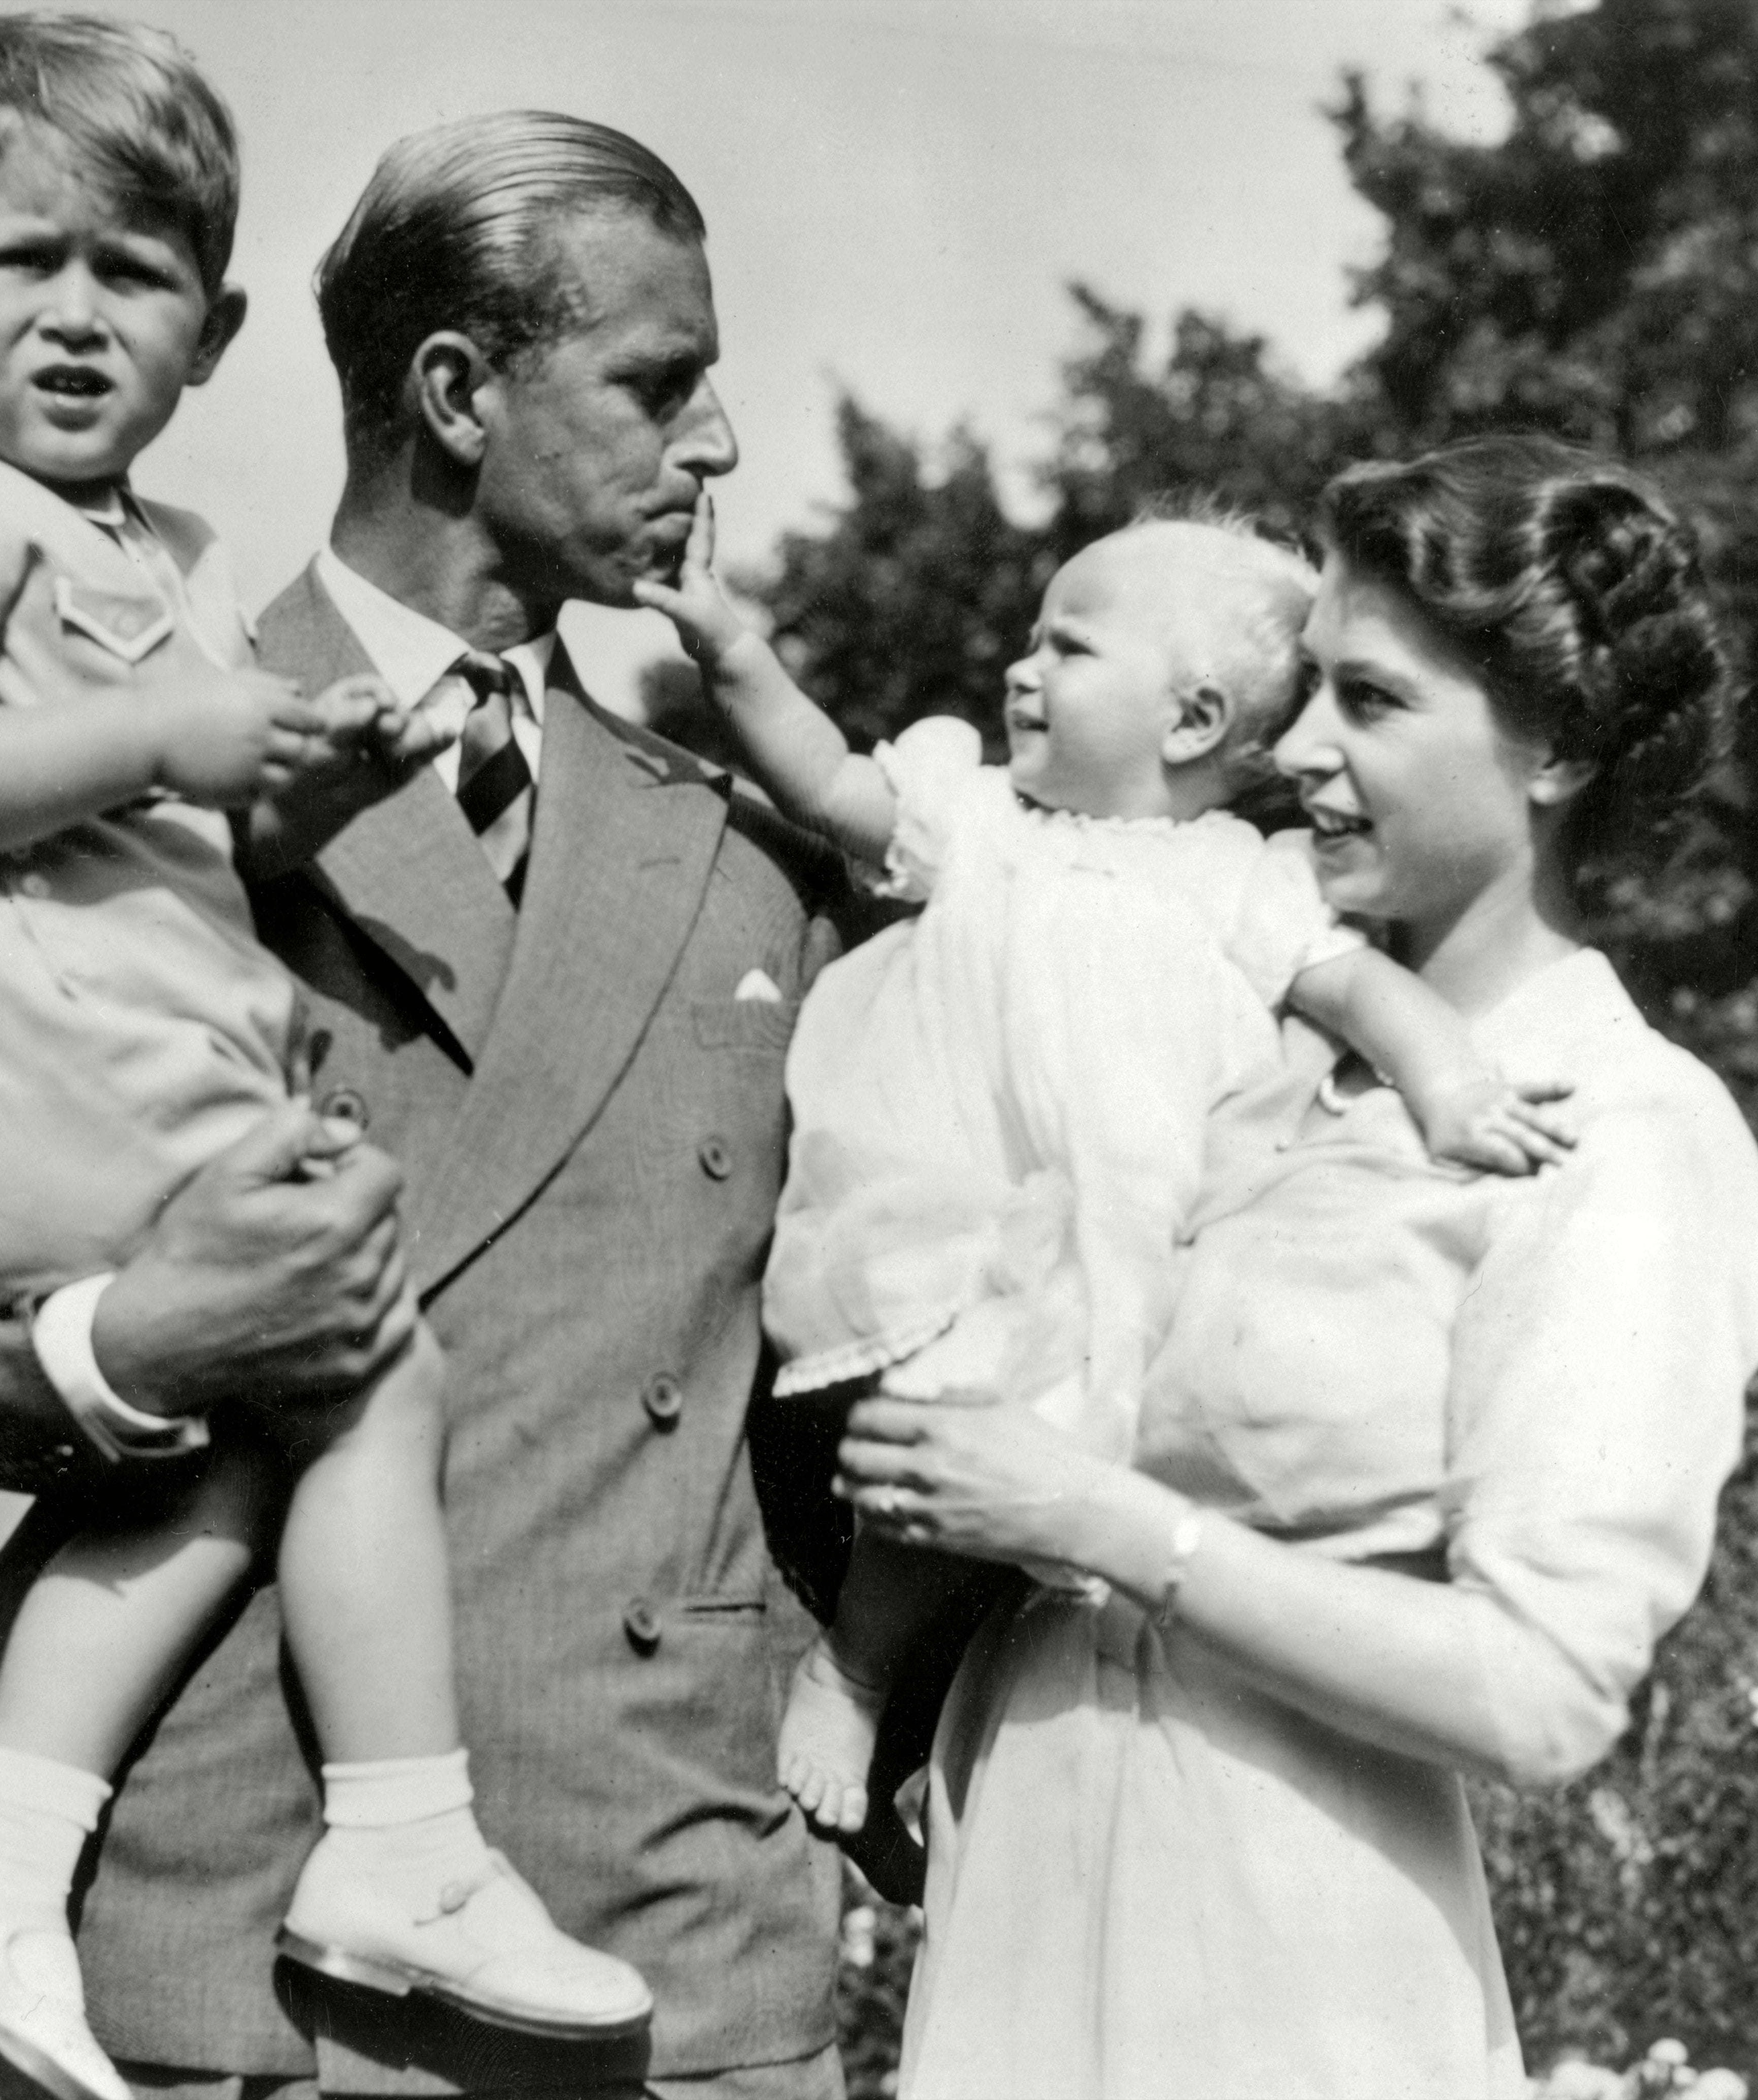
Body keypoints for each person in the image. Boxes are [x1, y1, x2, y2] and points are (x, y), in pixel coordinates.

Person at [0, 102, 856, 2100]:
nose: (717, 443)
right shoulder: (89, 750)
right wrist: (123, 1341)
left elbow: (855, 1342)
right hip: (236, 1959)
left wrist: (870, 1694)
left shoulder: (747, 839)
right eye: (661, 383)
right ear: (458, 392)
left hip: (666, 1953)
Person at [830, 434, 1758, 2099]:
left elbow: (1539, 1690)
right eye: (1305, 692)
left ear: (1551, 744)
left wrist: (1091, 1519)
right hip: (1028, 1887)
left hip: (1286, 1950)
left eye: (1371, 702)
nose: (1297, 746)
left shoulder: (1621, 1129)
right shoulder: (1230, 1045)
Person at [639, 498, 1573, 1844]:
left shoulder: (1242, 882)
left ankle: (920, 1743)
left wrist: (1453, 1083)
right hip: (952, 1214)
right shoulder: (976, 821)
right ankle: (847, 1667)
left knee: (1029, 1509)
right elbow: (826, 779)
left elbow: (1364, 990)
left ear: (1189, 721)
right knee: (943, 1438)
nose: (1021, 669)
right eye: (1028, 639)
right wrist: (728, 644)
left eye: (1066, 647)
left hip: (1119, 1256)